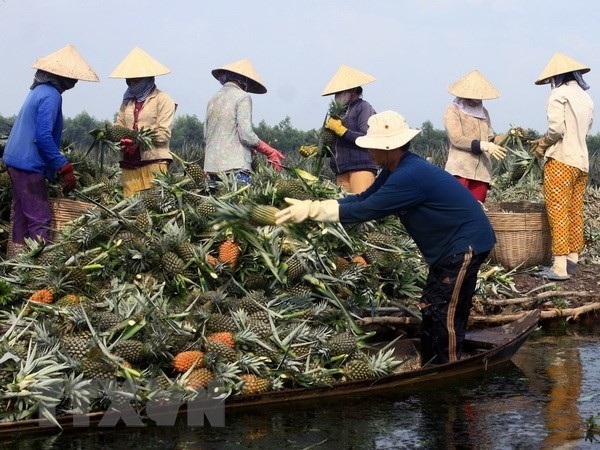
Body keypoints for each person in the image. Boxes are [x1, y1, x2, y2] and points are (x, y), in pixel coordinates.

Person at [275, 111, 496, 366]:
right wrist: (315, 205)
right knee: (432, 306)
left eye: (374, 148)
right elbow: (362, 198)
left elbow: (366, 210)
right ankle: (433, 361)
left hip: (464, 245)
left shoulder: (408, 175)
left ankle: (450, 368)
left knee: (445, 309)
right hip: (448, 248)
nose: (370, 153)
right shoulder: (395, 169)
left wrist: (313, 212)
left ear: (389, 148)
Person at [2, 44, 99, 252]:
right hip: (28, 163)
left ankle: (17, 260)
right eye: (72, 78)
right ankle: (40, 268)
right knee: (39, 217)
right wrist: (64, 166)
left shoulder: (39, 91)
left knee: (21, 214)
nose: (74, 83)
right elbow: (43, 136)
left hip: (15, 159)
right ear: (61, 76)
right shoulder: (51, 95)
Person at [530, 53, 594, 280]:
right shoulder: (586, 98)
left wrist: (542, 144)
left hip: (562, 160)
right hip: (582, 162)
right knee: (574, 209)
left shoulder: (559, 94)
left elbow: (557, 130)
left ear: (556, 77)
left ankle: (558, 266)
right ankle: (572, 259)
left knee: (557, 211)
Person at [203, 59, 284, 185]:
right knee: (239, 203)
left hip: (212, 167)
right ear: (243, 80)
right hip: (235, 166)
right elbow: (246, 135)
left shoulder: (213, 99)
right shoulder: (242, 97)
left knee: (219, 203)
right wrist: (269, 151)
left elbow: (207, 135)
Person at [109, 47, 177, 197]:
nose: (132, 84)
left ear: (147, 78)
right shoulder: (127, 101)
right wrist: (120, 138)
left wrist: (137, 139)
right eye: (129, 80)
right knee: (131, 207)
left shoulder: (163, 100)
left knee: (153, 205)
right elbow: (119, 124)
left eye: (136, 80)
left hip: (154, 161)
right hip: (129, 162)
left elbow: (163, 134)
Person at [443, 70, 508, 202]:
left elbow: (490, 138)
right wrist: (484, 145)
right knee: (457, 208)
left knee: (477, 212)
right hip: (460, 170)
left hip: (481, 173)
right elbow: (457, 139)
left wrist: (509, 136)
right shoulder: (453, 110)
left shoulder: (484, 113)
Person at [321, 65, 378, 194]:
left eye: (339, 92)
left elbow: (367, 138)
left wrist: (342, 130)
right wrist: (320, 150)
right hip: (341, 170)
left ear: (352, 90)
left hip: (361, 167)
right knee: (345, 211)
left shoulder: (363, 107)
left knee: (361, 208)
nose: (336, 96)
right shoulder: (339, 114)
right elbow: (338, 145)